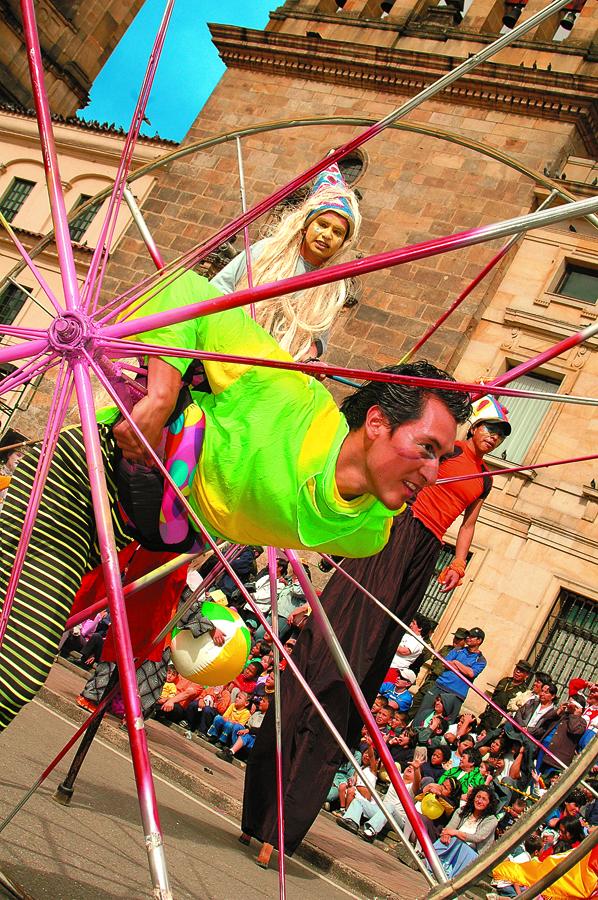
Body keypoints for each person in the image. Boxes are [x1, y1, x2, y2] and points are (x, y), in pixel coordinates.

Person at [0, 261, 469, 732]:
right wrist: (162, 395)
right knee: (18, 663)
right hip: (99, 471)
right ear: (376, 423)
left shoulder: (368, 535)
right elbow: (181, 287)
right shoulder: (287, 395)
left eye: (442, 458)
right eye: (426, 448)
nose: (432, 472)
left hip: (156, 530)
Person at [242, 395, 510, 862]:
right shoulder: (447, 450)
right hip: (400, 524)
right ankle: (264, 815)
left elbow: (468, 524)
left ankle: (289, 812)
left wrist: (461, 561)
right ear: (473, 427)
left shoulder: (483, 481)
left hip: (427, 549)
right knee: (344, 639)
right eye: (489, 428)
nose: (493, 438)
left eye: (502, 435)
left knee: (373, 650)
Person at [210, 161, 361, 361]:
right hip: (223, 347)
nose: (327, 235)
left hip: (271, 370)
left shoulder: (332, 288)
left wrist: (308, 358)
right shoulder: (266, 251)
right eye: (322, 224)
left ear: (343, 242)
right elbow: (218, 289)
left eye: (337, 232)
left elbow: (317, 340)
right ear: (306, 225)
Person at [415, 627, 488, 724]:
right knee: (422, 715)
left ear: (479, 640)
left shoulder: (480, 660)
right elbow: (445, 663)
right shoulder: (457, 650)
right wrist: (463, 669)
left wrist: (456, 662)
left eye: (472, 637)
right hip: (440, 686)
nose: (468, 638)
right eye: (468, 636)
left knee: (444, 723)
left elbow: (471, 673)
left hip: (457, 694)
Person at [433, 785, 499, 877]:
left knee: (456, 839)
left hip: (473, 854)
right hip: (453, 844)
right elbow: (450, 827)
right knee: (449, 839)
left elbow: (477, 838)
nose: (479, 801)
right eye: (478, 797)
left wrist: (455, 833)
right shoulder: (462, 810)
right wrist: (446, 834)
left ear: (489, 803)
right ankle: (431, 859)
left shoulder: (492, 820)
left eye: (484, 799)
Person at [478, 660, 533, 733]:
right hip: (487, 716)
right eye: (517, 668)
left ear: (527, 675)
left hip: (498, 722)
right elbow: (494, 697)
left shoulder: (523, 691)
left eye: (521, 671)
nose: (517, 672)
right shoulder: (504, 681)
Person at [0, 428, 27, 514]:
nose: (20, 460)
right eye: (18, 455)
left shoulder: (19, 483)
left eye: (24, 458)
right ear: (9, 455)